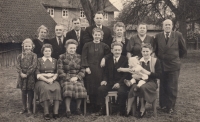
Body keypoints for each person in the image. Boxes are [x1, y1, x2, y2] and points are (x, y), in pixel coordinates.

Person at [154, 19, 187, 114]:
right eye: (165, 25)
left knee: (172, 86)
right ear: (162, 26)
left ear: (172, 26)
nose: (167, 26)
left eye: (169, 25)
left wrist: (175, 58)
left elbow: (183, 50)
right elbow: (156, 50)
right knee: (163, 85)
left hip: (173, 65)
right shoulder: (158, 36)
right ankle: (163, 105)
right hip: (162, 65)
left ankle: (170, 106)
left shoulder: (178, 35)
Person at [124, 43, 161, 118]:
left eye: (147, 51)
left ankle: (142, 108)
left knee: (142, 88)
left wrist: (146, 72)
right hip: (139, 80)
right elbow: (133, 71)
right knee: (133, 88)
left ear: (151, 51)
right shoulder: (138, 61)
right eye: (143, 51)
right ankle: (129, 109)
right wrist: (134, 75)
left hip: (151, 82)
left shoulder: (155, 61)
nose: (145, 53)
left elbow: (158, 75)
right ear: (141, 51)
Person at [81, 28, 110, 112]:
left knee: (99, 86)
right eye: (95, 35)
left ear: (101, 36)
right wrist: (86, 67)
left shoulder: (105, 46)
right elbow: (84, 57)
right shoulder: (87, 45)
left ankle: (99, 105)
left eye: (99, 35)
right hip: (90, 69)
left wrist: (104, 58)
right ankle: (92, 105)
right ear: (93, 35)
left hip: (100, 69)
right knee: (91, 87)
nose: (97, 36)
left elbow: (109, 55)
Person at [97, 42, 129, 116]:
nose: (117, 51)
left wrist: (119, 83)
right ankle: (103, 109)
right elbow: (105, 72)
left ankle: (122, 110)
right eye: (115, 50)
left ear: (121, 50)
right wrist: (104, 80)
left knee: (122, 92)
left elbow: (127, 74)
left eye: (119, 50)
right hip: (110, 82)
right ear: (112, 51)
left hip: (121, 83)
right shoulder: (108, 60)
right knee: (101, 89)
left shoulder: (125, 59)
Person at [57, 39, 87, 118]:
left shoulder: (79, 57)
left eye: (74, 48)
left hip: (77, 78)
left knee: (80, 87)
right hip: (66, 78)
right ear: (66, 48)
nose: (72, 50)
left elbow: (83, 70)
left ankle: (78, 108)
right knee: (68, 87)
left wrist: (77, 77)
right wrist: (69, 78)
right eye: (70, 48)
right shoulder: (61, 57)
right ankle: (68, 110)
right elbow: (60, 71)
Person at [35, 44, 62, 120]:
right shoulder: (39, 60)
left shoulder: (55, 60)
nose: (47, 52)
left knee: (58, 89)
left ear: (51, 52)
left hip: (53, 79)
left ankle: (55, 112)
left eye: (49, 51)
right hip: (41, 80)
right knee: (46, 89)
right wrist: (46, 80)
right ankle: (46, 112)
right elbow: (37, 72)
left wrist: (52, 79)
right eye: (46, 51)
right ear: (42, 52)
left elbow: (57, 72)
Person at [16, 38, 37, 115]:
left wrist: (27, 74)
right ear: (23, 46)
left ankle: (29, 108)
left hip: (30, 76)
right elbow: (17, 65)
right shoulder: (19, 56)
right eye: (26, 46)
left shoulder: (34, 55)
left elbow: (34, 66)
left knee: (30, 92)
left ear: (32, 46)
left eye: (29, 46)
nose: (27, 48)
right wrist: (21, 73)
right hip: (22, 76)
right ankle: (24, 108)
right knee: (23, 92)